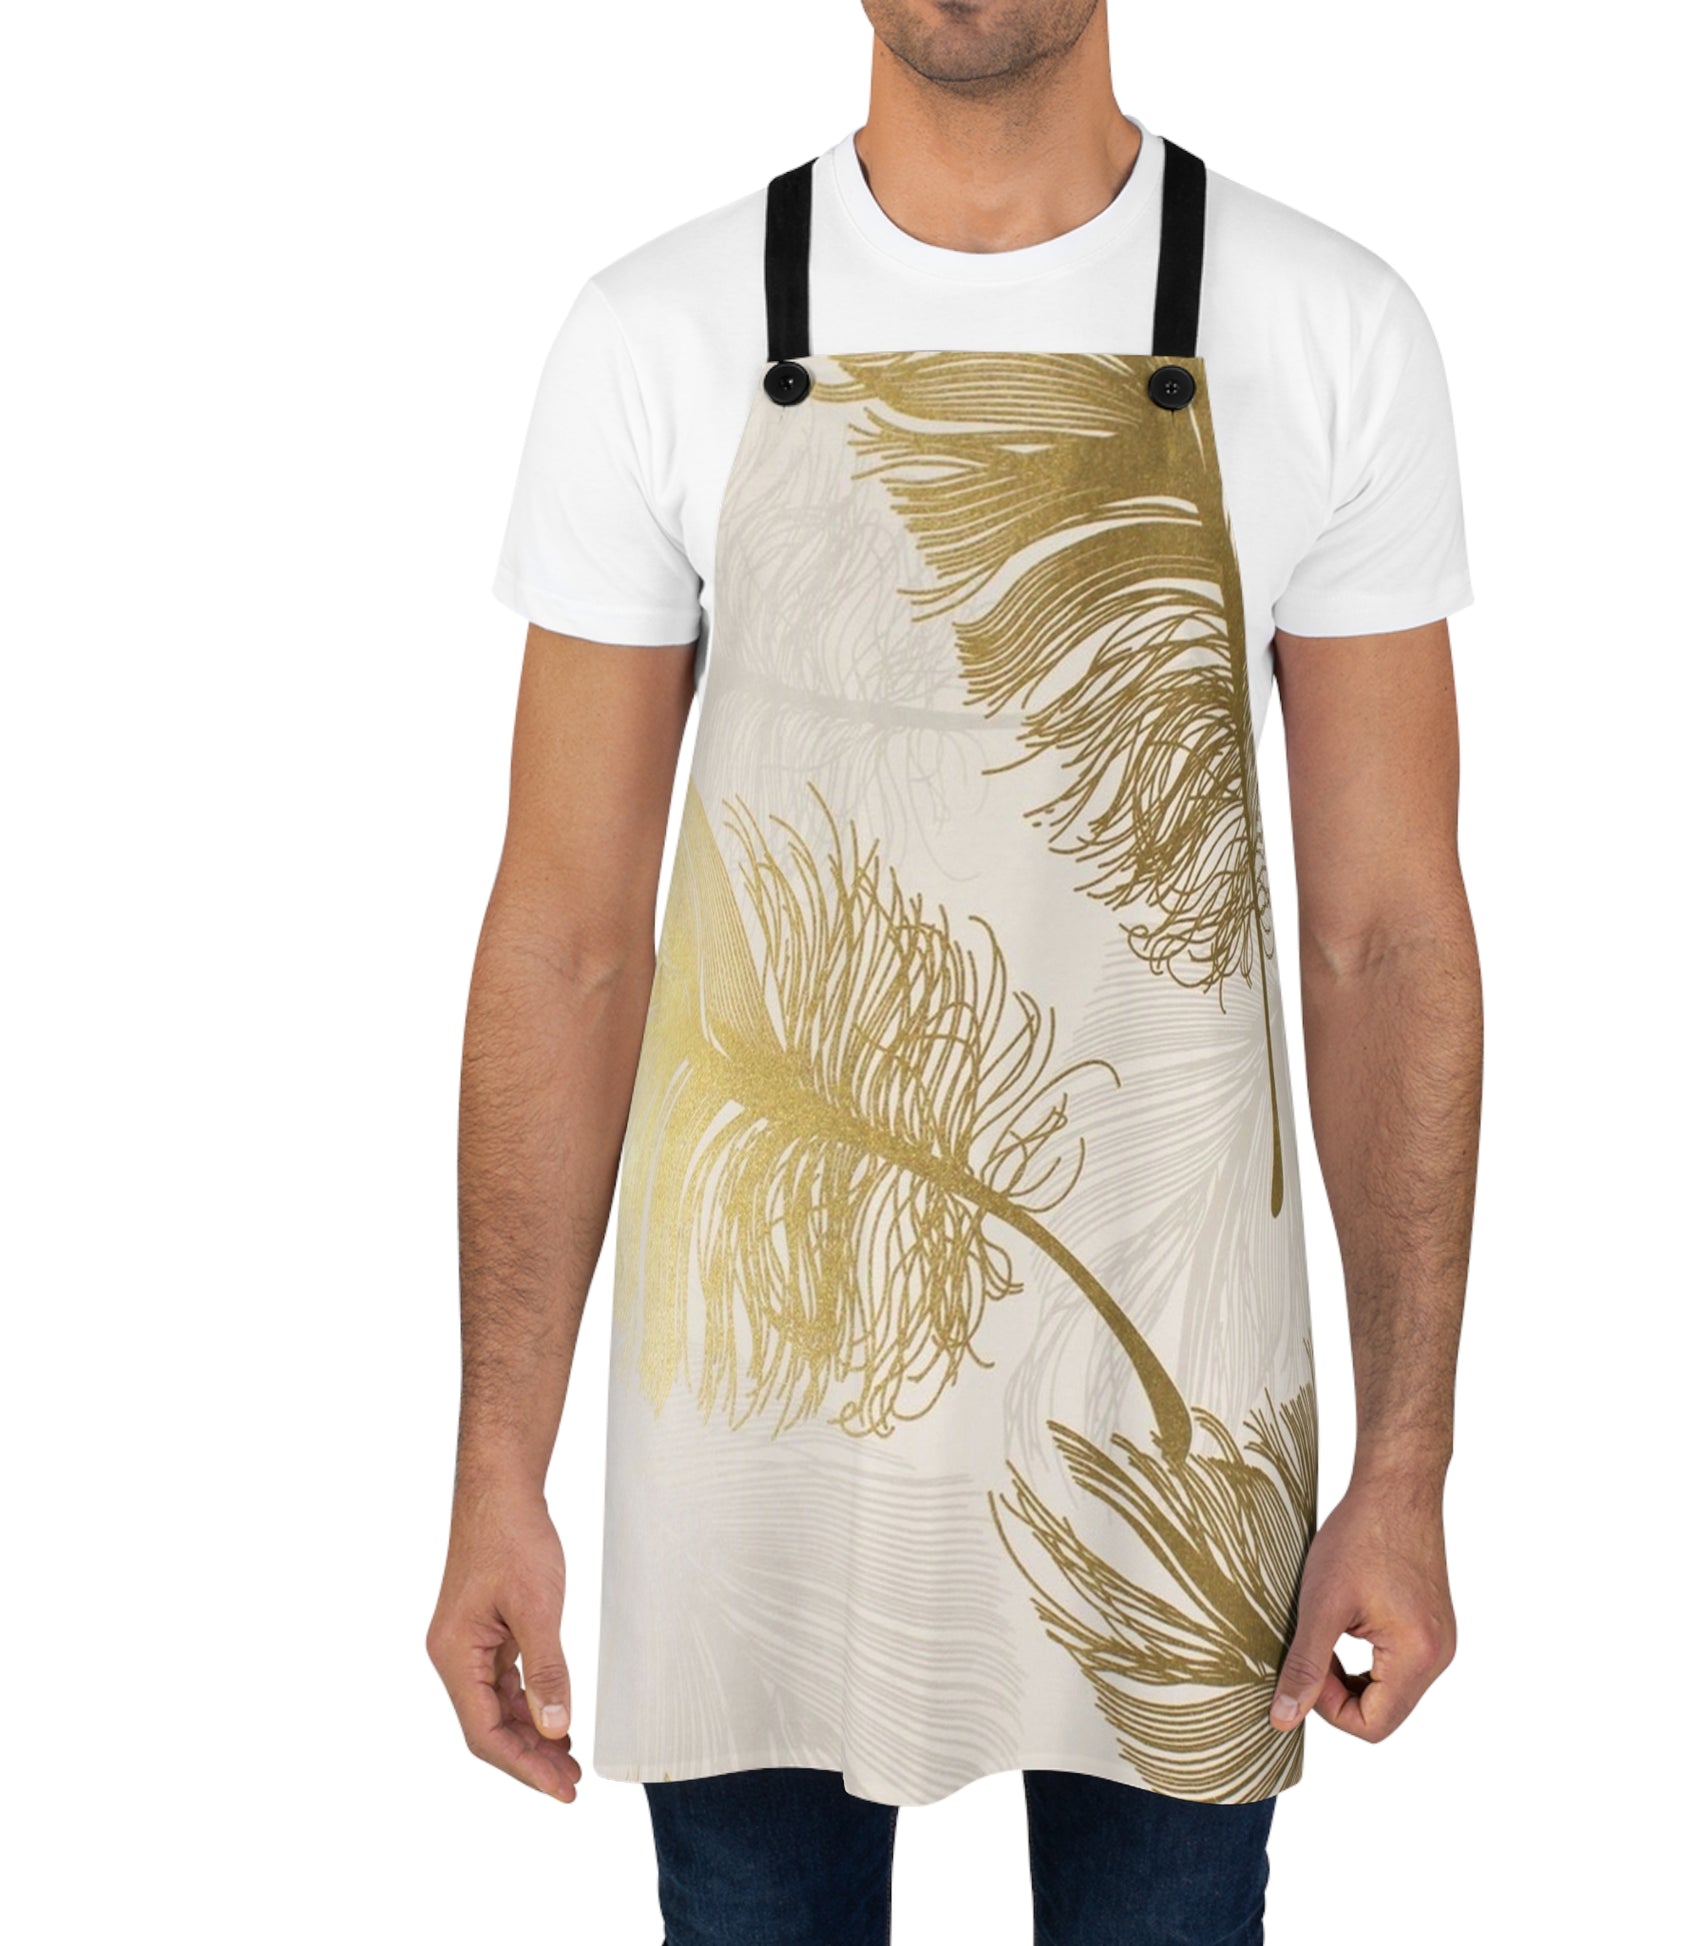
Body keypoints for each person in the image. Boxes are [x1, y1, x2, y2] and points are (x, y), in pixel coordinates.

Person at [426, 3, 1482, 1940]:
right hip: (752, 1413)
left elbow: (1385, 933)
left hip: (1174, 1448)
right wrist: (498, 1462)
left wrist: (1403, 1466)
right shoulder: (655, 332)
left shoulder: (1329, 327)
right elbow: (567, 936)